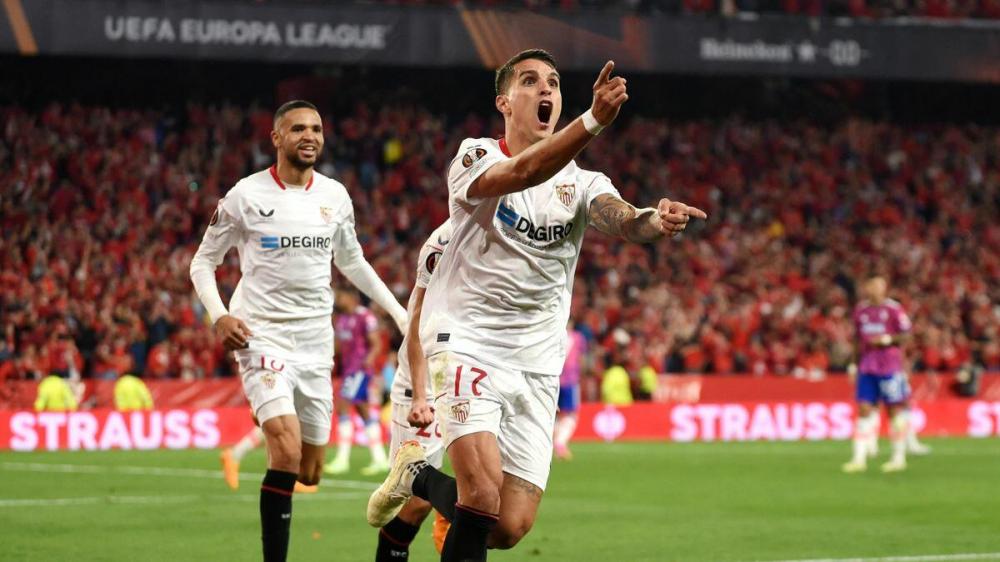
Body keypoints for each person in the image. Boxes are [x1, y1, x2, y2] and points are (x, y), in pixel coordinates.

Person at [368, 50, 706, 561]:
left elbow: (621, 218)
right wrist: (592, 121)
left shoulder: (584, 183)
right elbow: (524, 171)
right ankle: (425, 483)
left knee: (507, 526)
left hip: (537, 360)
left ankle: (415, 474)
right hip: (467, 341)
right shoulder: (474, 157)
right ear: (504, 103)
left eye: (553, 81)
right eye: (529, 81)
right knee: (480, 497)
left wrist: (655, 221)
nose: (545, 89)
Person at [189, 100, 407, 562]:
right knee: (285, 453)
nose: (309, 136)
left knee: (309, 472)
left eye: (316, 129)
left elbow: (352, 262)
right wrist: (220, 315)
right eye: (298, 129)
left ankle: (270, 413)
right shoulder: (245, 195)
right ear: (277, 138)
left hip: (314, 343)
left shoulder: (334, 196)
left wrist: (398, 312)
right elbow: (203, 262)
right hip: (260, 335)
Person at [372, 220, 453, 561]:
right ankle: (451, 507)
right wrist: (420, 396)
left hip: (469, 376)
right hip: (428, 380)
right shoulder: (444, 242)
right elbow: (418, 327)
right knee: (416, 503)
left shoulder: (509, 232)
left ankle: (453, 508)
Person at [842, 276, 913, 474]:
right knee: (864, 409)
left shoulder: (894, 309)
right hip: (867, 366)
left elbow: (907, 335)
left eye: (878, 285)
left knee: (893, 411)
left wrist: (887, 339)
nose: (874, 288)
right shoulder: (861, 310)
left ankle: (898, 458)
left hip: (889, 366)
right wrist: (853, 365)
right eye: (871, 285)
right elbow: (856, 341)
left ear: (884, 288)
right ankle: (858, 459)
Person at [325, 287, 391, 476]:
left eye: (341, 296)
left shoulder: (364, 316)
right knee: (363, 411)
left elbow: (376, 343)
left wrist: (368, 362)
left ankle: (342, 459)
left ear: (352, 297)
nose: (338, 300)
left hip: (359, 370)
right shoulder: (342, 319)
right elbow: (338, 347)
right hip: (348, 370)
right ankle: (380, 459)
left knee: (343, 406)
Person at [554, 321, 587, 460]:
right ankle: (560, 443)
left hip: (553, 380)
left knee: (554, 414)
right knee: (572, 414)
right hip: (570, 381)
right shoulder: (578, 337)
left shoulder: (554, 334)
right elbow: (582, 359)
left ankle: (551, 443)